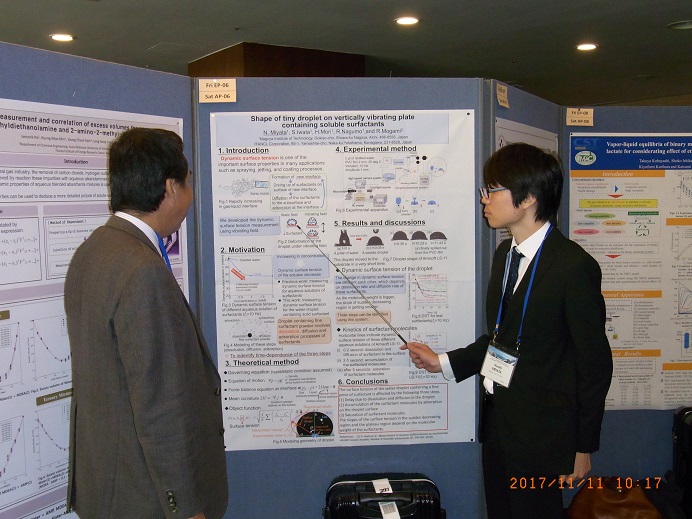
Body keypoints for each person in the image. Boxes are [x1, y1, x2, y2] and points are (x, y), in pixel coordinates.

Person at [402, 143, 613, 519]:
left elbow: (594, 364)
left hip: (543, 435)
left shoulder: (573, 266)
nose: (485, 199)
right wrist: (444, 363)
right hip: (499, 424)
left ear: (528, 197)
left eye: (493, 189)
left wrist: (583, 447)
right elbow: (503, 338)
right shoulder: (505, 255)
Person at [64, 128, 228, 519]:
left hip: (107, 486)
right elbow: (160, 407)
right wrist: (186, 508)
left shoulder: (92, 250)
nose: (190, 194)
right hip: (145, 499)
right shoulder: (143, 271)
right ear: (171, 188)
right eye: (188, 183)